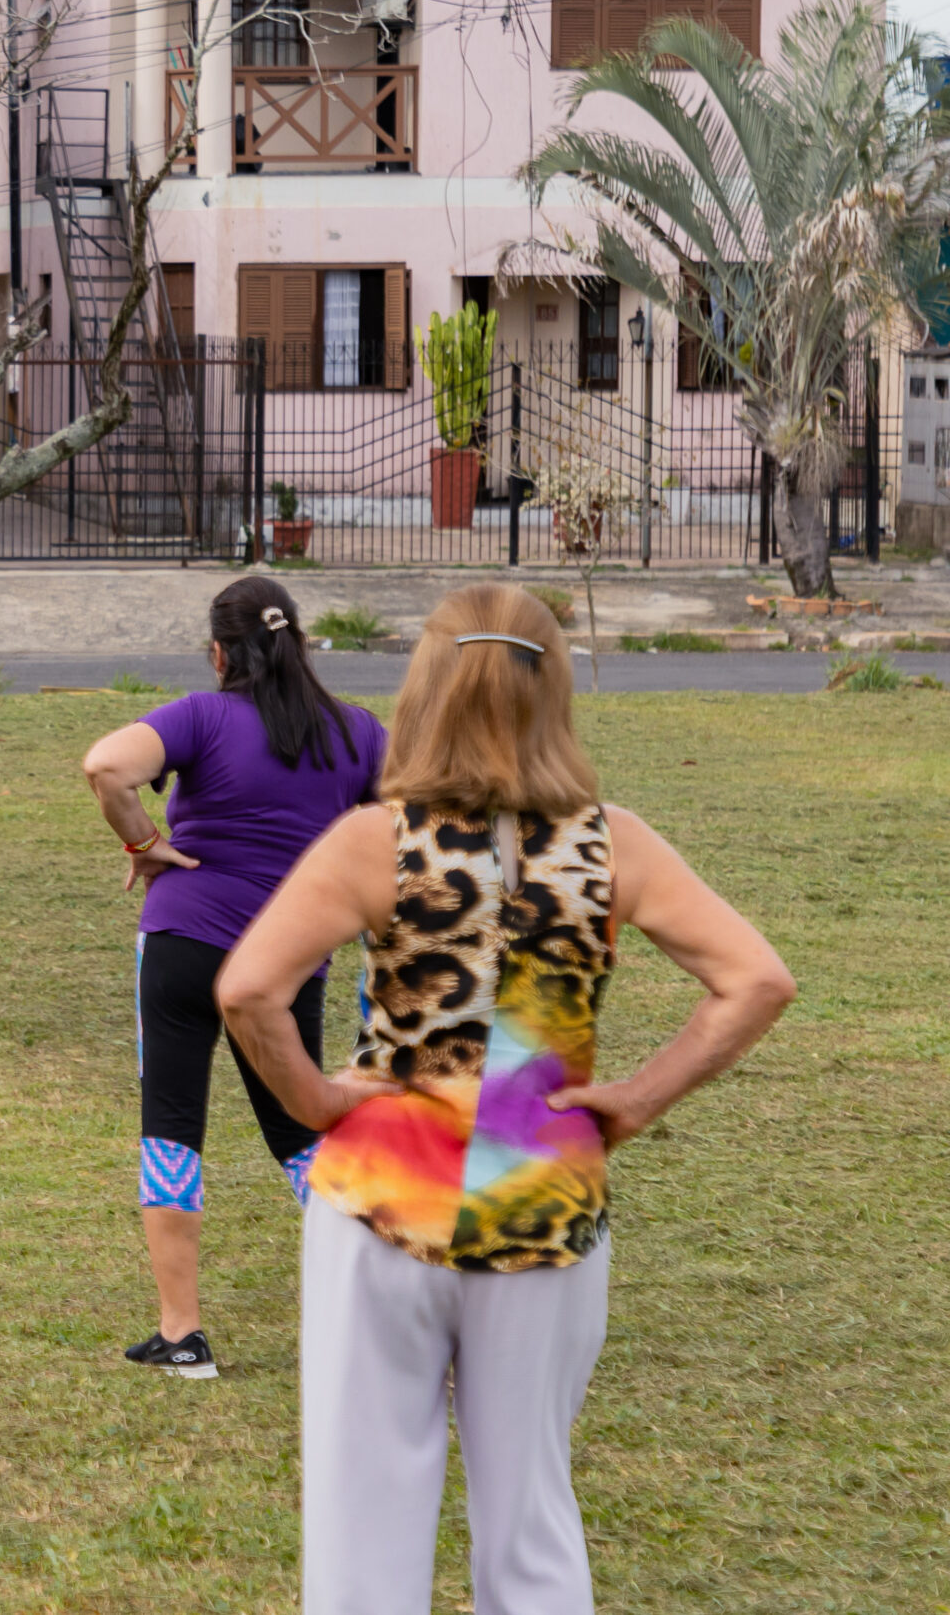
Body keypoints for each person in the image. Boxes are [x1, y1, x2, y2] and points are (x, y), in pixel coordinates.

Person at [215, 582, 794, 1615]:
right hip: (544, 1195)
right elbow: (755, 978)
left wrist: (314, 1101)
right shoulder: (616, 842)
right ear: (553, 691)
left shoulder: (374, 841)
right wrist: (632, 1100)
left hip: (382, 1190)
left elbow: (248, 988)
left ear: (425, 687)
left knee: (362, 1524)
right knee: (530, 1515)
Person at [78, 575, 385, 1380]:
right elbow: (407, 832)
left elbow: (106, 767)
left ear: (219, 653)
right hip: (290, 954)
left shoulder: (202, 715)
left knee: (171, 1122)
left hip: (185, 938)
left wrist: (143, 843)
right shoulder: (359, 733)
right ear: (301, 645)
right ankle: (398, 1311)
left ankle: (182, 1336)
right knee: (300, 1134)